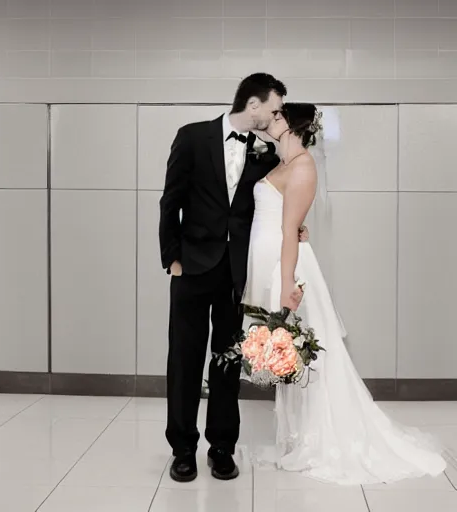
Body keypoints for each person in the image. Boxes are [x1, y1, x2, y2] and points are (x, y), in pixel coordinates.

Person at [242, 102, 447, 484]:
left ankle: (315, 437)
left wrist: (287, 283)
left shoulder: (302, 165)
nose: (272, 120)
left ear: (295, 125)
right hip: (275, 263)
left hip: (287, 268)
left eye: (279, 116)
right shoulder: (282, 162)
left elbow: (290, 231)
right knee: (288, 353)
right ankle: (295, 436)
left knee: (302, 354)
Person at [158, 73, 288, 483]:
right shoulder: (192, 137)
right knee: (185, 359)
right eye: (274, 107)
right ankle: (182, 448)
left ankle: (221, 447)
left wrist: (294, 228)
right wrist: (172, 259)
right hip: (192, 269)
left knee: (228, 362)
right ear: (253, 104)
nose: (275, 115)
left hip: (237, 275)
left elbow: (270, 206)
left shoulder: (266, 154)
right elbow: (170, 200)